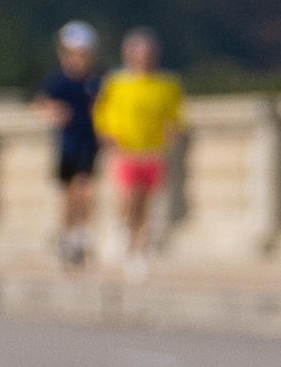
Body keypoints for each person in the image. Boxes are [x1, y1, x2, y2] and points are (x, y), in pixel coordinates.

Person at [93, 27, 186, 276]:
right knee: (128, 199)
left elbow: (175, 114)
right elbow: (102, 112)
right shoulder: (116, 82)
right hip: (125, 149)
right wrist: (106, 133)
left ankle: (138, 252)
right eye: (138, 54)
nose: (143, 60)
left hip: (153, 149)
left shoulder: (167, 84)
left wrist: (174, 131)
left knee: (147, 204)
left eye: (147, 54)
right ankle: (122, 233)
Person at [32, 22, 106, 267]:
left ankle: (80, 233)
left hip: (88, 140)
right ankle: (66, 234)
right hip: (67, 141)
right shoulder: (58, 80)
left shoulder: (95, 80)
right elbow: (40, 102)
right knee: (68, 193)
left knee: (84, 188)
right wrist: (54, 111)